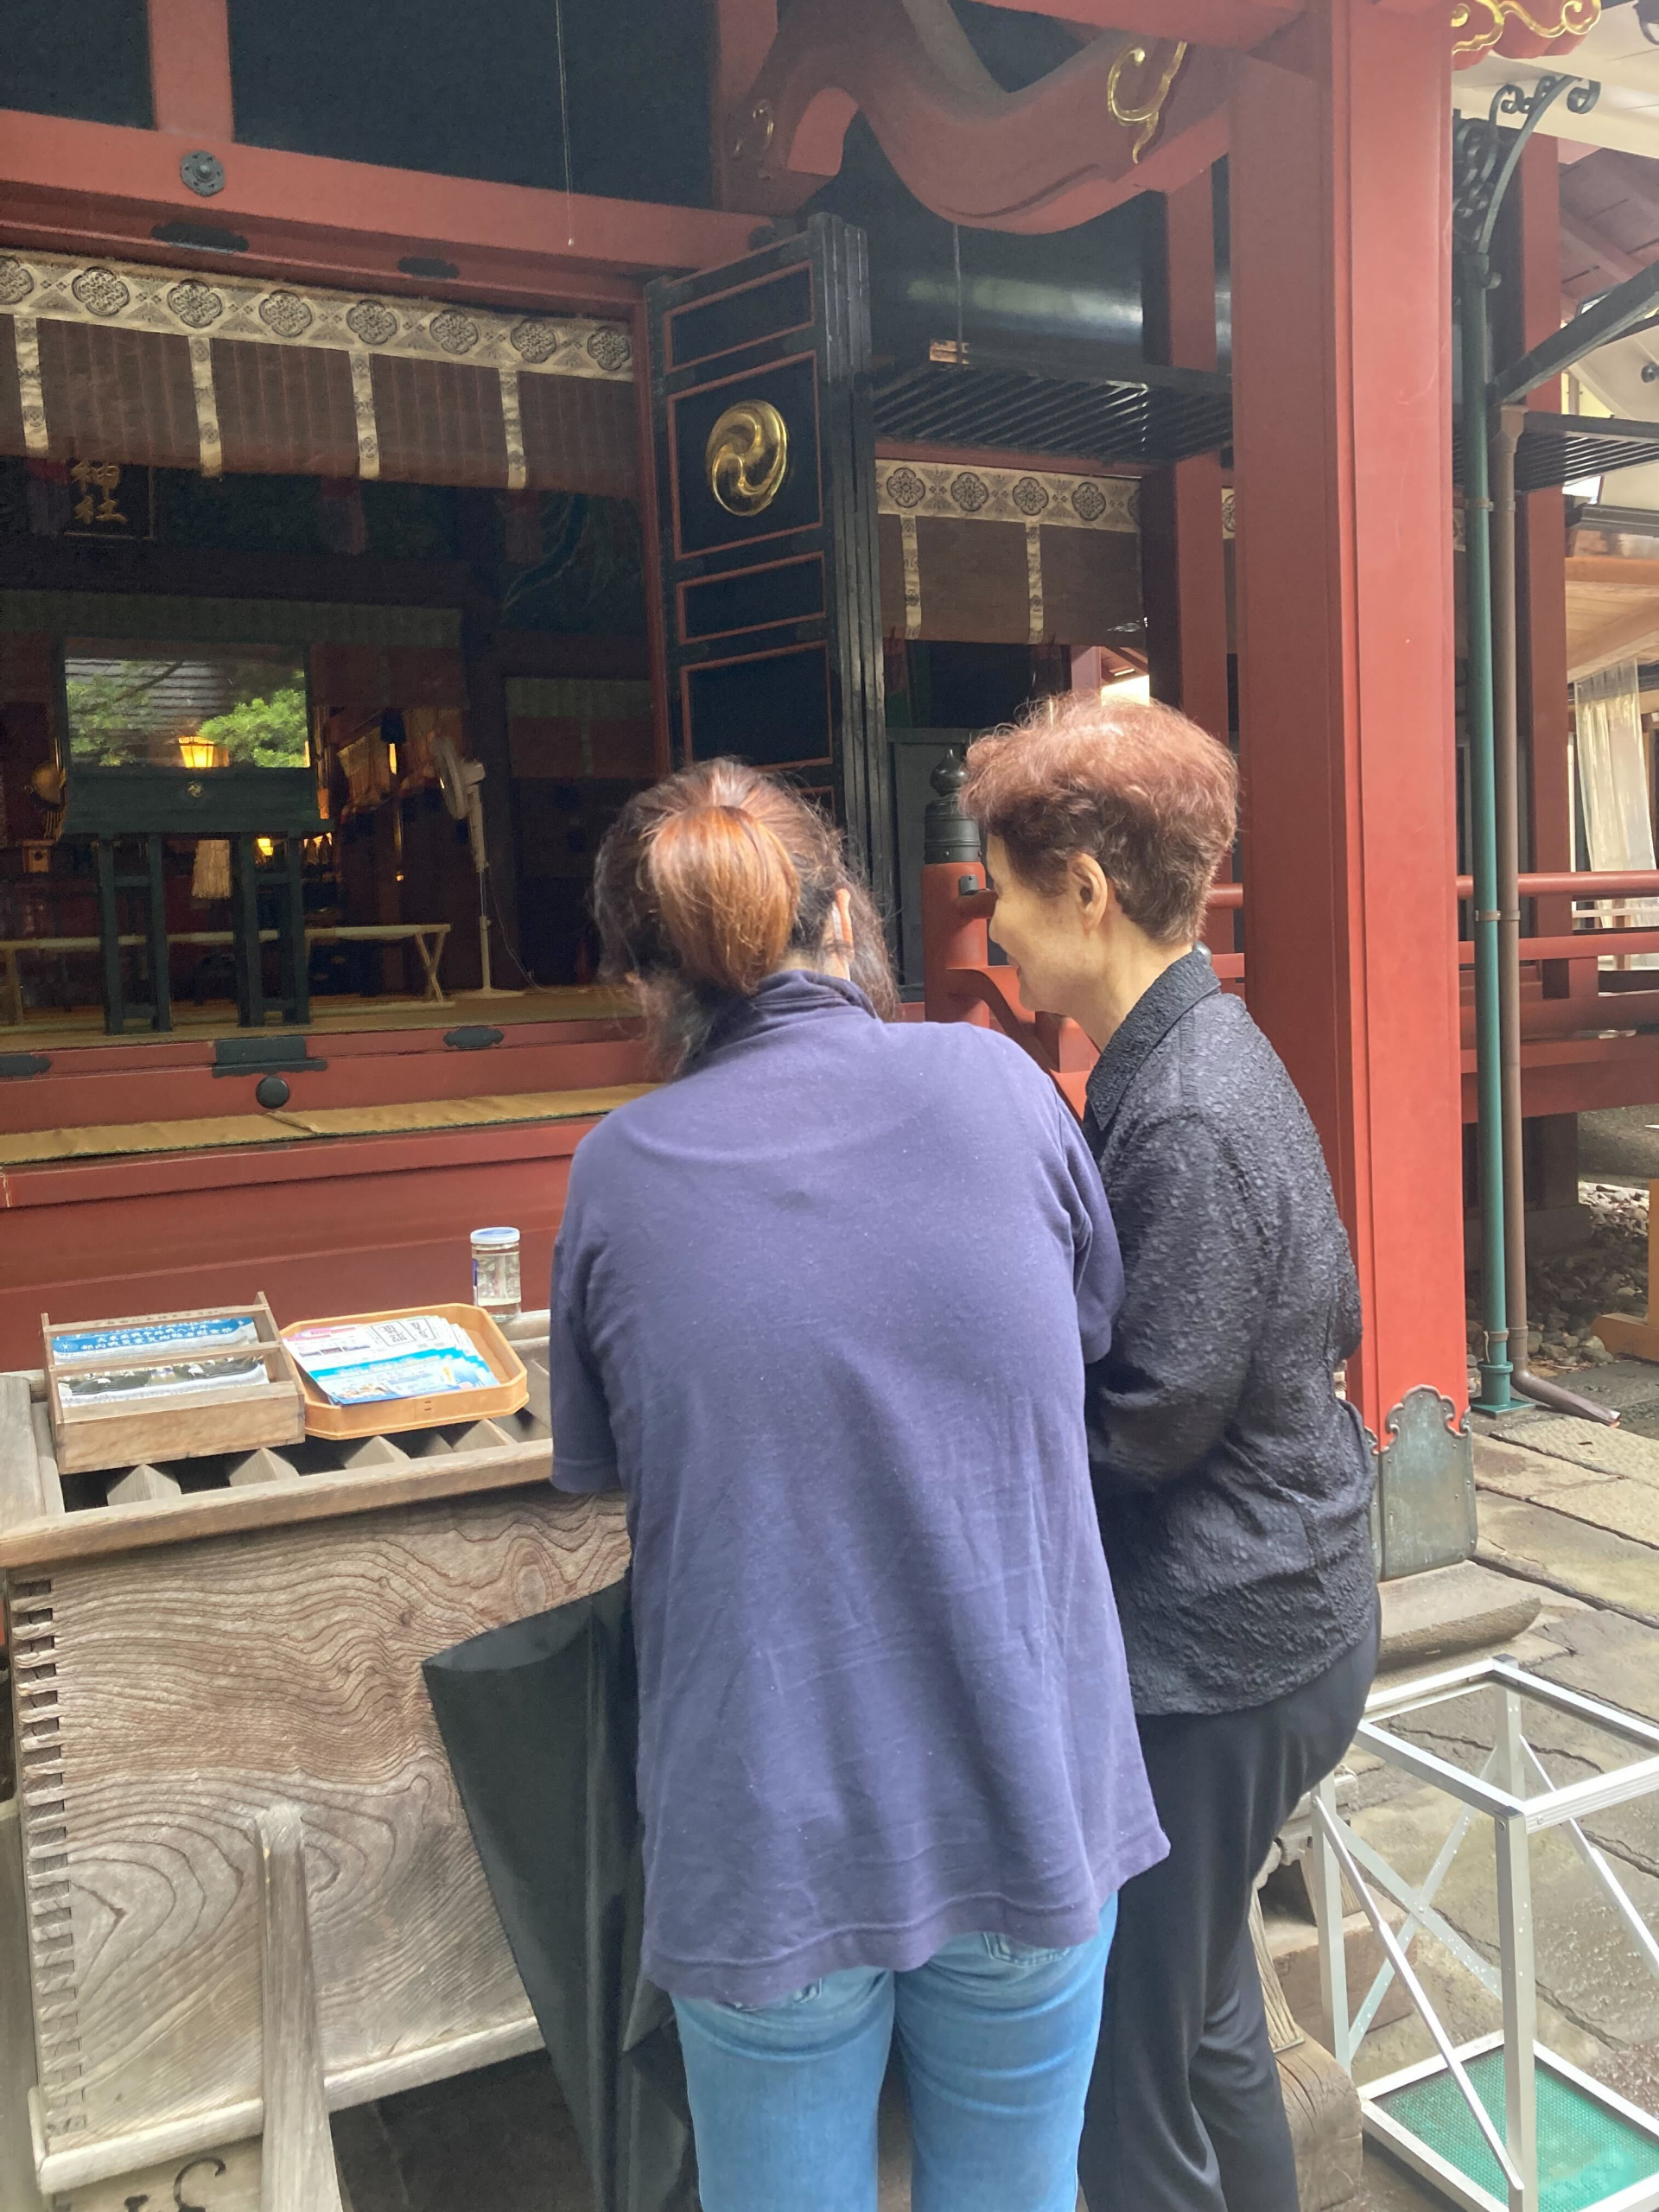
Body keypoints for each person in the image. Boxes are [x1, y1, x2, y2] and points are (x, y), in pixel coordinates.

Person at [544, 758, 1166, 2212]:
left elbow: (603, 1460)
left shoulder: (618, 1173)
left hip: (766, 1826)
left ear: (646, 986)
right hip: (1024, 1780)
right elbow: (1088, 1331)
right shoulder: (1000, 1085)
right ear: (847, 919)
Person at [963, 696, 1379, 2212]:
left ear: (1083, 888)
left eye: (1001, 891)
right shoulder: (1198, 1055)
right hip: (1278, 1613)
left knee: (1128, 2078)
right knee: (1207, 2027)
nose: (991, 930)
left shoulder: (1189, 1107)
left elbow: (1148, 1423)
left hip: (1219, 1652)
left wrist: (959, 1462)